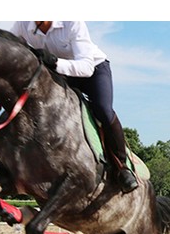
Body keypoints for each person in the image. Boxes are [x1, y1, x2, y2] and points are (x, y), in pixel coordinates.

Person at [10, 21, 138, 193]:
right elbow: (8, 43)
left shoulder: (72, 22)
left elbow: (86, 68)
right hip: (62, 74)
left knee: (102, 109)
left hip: (94, 70)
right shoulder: (23, 23)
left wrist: (55, 62)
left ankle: (122, 167)